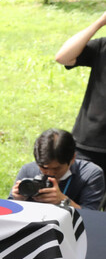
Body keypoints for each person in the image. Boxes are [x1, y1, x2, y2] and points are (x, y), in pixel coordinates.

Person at [54, 10, 106, 172]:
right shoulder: (102, 47)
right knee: (80, 196)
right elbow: (63, 57)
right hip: (90, 144)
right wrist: (99, 22)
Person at [10, 128, 105, 210]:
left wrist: (63, 201)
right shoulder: (28, 170)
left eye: (57, 169)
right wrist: (17, 200)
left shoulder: (90, 174)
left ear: (72, 159)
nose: (50, 173)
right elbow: (8, 210)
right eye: (43, 167)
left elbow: (92, 217)